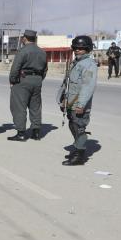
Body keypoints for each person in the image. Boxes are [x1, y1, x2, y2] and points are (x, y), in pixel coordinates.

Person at [57, 35, 98, 166]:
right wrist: (63, 99)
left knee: (79, 127)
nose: (77, 50)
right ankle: (78, 149)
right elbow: (68, 84)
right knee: (72, 125)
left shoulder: (89, 64)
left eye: (81, 48)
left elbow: (88, 86)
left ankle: (79, 156)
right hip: (71, 101)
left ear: (87, 49)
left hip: (79, 103)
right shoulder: (76, 63)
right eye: (76, 48)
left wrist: (81, 104)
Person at [7, 29, 48, 141]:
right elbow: (45, 69)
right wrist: (38, 79)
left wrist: (13, 80)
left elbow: (15, 67)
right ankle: (36, 132)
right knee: (35, 106)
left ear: (24, 38)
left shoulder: (23, 51)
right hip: (37, 80)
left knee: (19, 106)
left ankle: (21, 133)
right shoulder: (42, 52)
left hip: (23, 80)